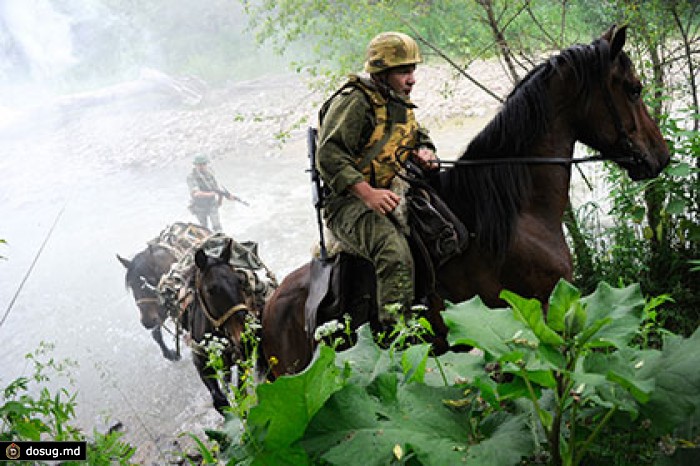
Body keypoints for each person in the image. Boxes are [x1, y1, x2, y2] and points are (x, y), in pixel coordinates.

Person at [316, 31, 438, 329]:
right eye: (403, 71)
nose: (412, 79)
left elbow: (415, 133)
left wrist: (426, 150)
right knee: (392, 251)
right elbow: (329, 156)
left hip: (392, 192)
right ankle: (396, 335)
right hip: (347, 203)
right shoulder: (354, 101)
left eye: (413, 70)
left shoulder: (395, 99)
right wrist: (367, 193)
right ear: (382, 73)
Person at [186, 154, 230, 232]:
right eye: (199, 164)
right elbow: (196, 193)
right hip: (199, 205)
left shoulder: (210, 173)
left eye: (204, 164)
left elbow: (217, 188)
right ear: (195, 165)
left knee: (217, 226)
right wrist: (211, 194)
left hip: (212, 203)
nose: (202, 166)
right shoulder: (191, 177)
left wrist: (220, 200)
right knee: (204, 228)